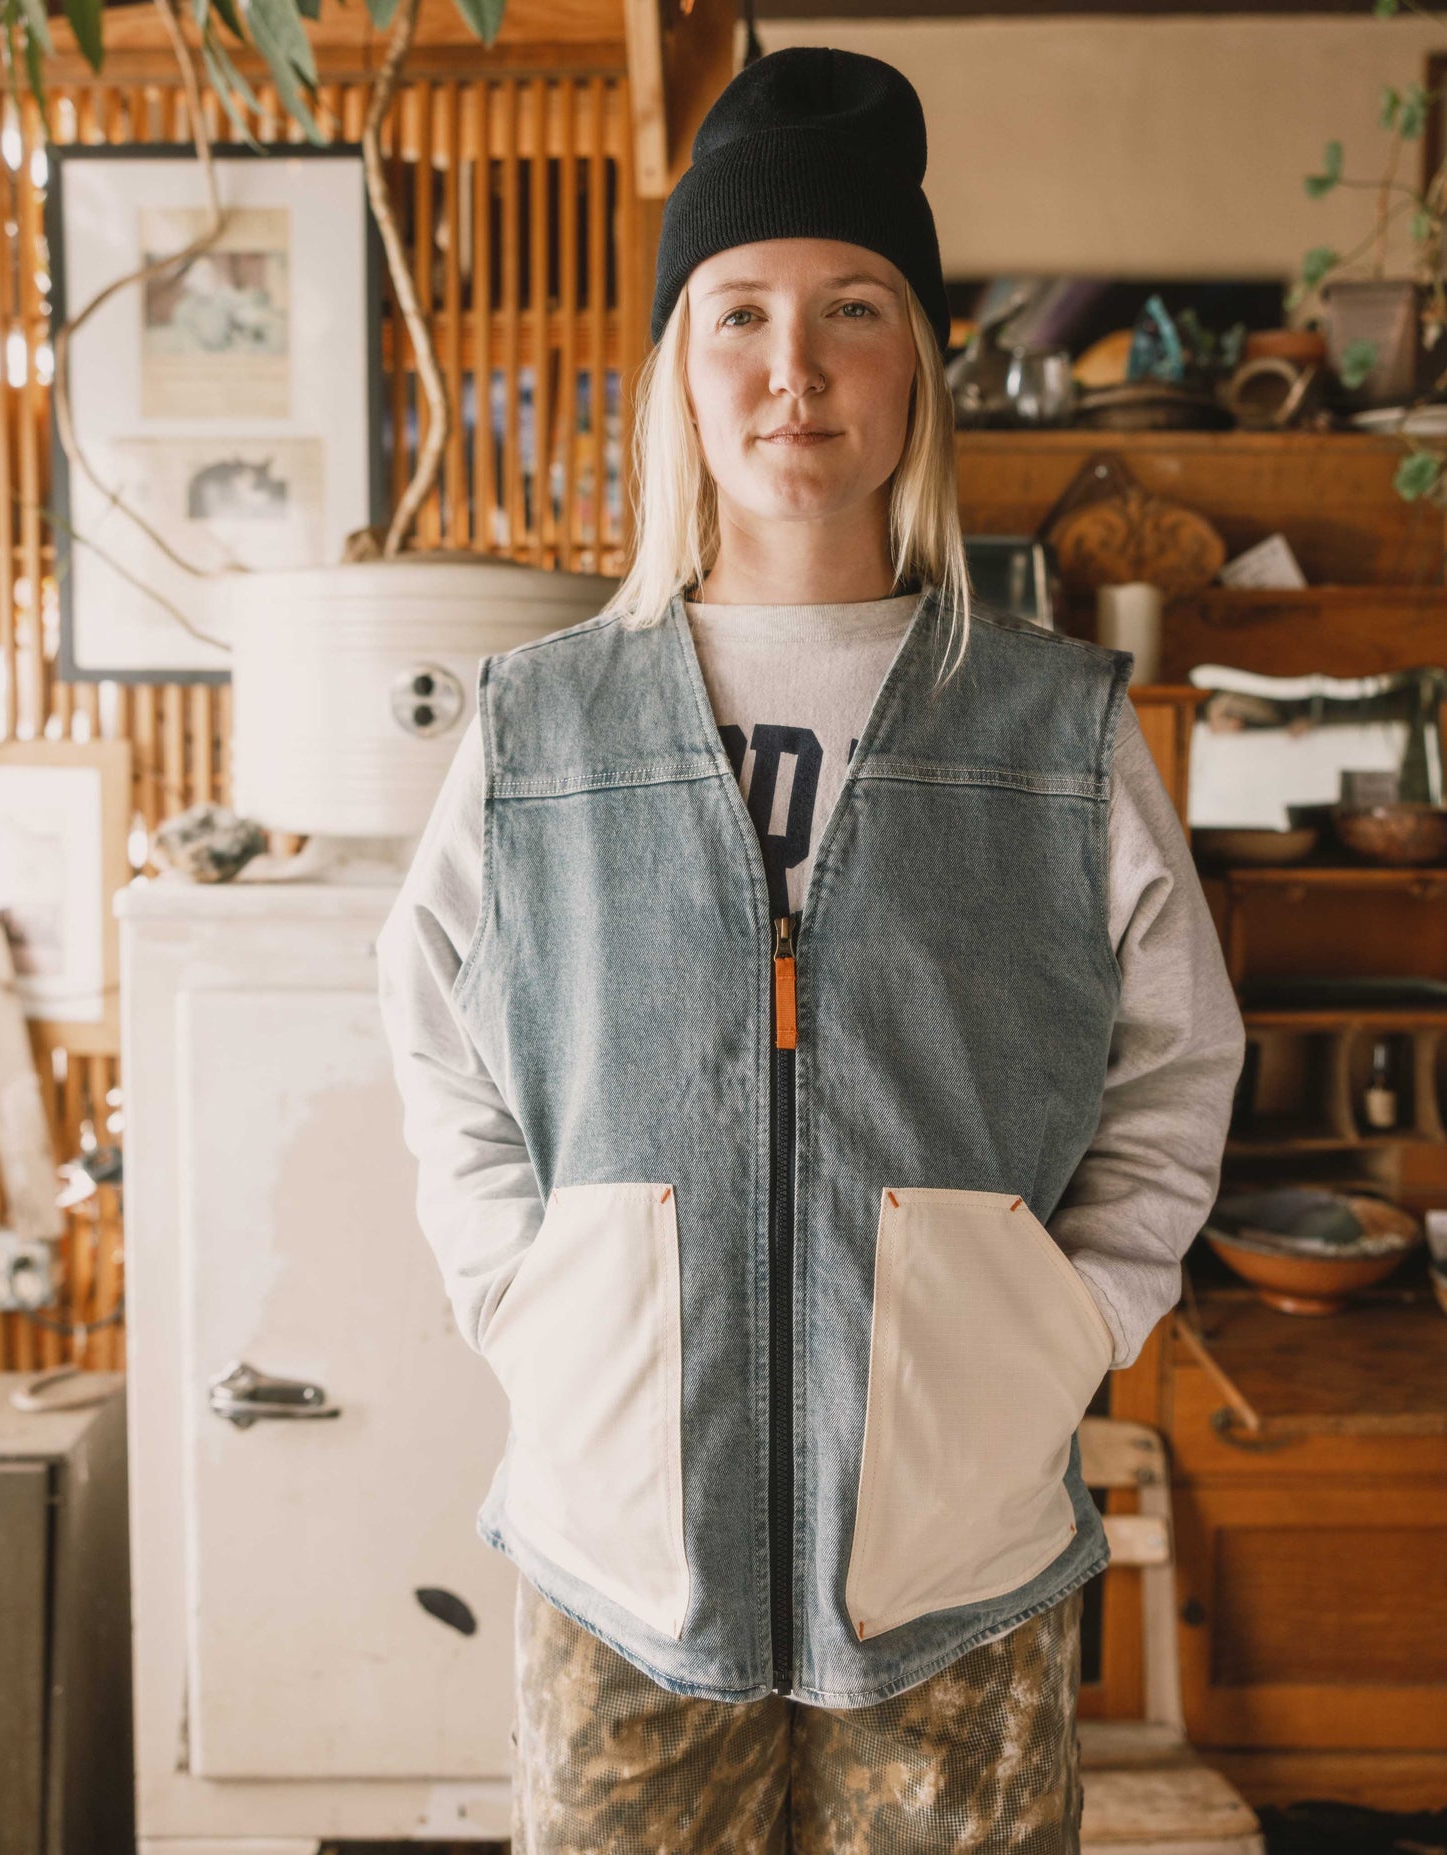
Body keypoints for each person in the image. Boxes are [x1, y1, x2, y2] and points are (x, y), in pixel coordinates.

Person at [376, 43, 1247, 1853]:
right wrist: (524, 1307)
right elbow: (434, 1035)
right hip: (620, 1554)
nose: (793, 368)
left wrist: (1066, 1324)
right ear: (677, 375)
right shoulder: (544, 729)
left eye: (853, 307)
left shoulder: (1053, 728)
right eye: (739, 314)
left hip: (960, 1561)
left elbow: (1178, 1060)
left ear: (919, 363)